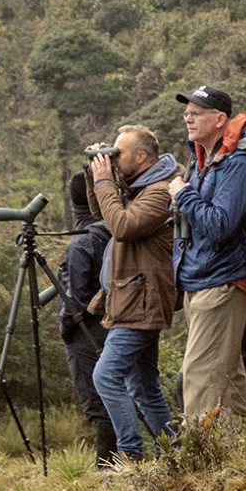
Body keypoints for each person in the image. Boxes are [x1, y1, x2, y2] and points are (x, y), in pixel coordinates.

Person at [170, 85, 246, 425]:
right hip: (201, 279)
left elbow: (220, 225)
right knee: (227, 382)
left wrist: (184, 195)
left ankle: (198, 469)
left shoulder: (238, 165)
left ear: (220, 119)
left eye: (196, 112)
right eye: (187, 112)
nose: (188, 118)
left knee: (198, 382)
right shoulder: (204, 160)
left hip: (223, 281)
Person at [86, 125, 181, 462]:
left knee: (106, 377)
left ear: (142, 157)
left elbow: (122, 227)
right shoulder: (138, 187)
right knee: (144, 385)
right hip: (132, 298)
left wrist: (104, 182)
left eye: (119, 153)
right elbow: (103, 214)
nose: (114, 158)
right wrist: (95, 176)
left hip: (141, 301)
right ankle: (177, 453)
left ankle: (130, 455)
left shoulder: (159, 192)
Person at [58, 170, 117, 467]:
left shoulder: (81, 244)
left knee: (99, 407)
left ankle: (107, 470)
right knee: (116, 396)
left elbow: (73, 300)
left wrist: (66, 329)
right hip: (114, 325)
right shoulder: (115, 231)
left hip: (85, 333)